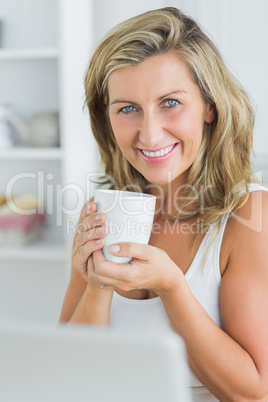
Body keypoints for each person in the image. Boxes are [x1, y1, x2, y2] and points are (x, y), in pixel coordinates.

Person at [59, 7, 268, 401]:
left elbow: (253, 392)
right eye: (128, 109)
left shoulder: (250, 218)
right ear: (107, 118)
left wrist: (172, 287)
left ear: (210, 106)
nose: (150, 134)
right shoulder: (104, 208)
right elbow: (70, 373)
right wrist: (99, 283)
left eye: (170, 102)